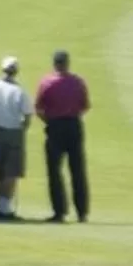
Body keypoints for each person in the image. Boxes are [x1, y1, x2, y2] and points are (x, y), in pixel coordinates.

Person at [34, 49, 90, 223]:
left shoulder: (47, 83)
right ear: (67, 63)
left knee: (54, 170)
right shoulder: (78, 82)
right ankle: (82, 212)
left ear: (55, 64)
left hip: (55, 126)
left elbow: (39, 108)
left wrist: (48, 121)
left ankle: (59, 211)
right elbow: (85, 106)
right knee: (77, 169)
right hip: (74, 124)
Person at [0, 55, 32, 220]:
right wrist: (23, 130)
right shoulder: (19, 91)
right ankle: (4, 209)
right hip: (14, 132)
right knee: (11, 172)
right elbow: (27, 117)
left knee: (1, 169)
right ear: (16, 71)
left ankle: (2, 207)